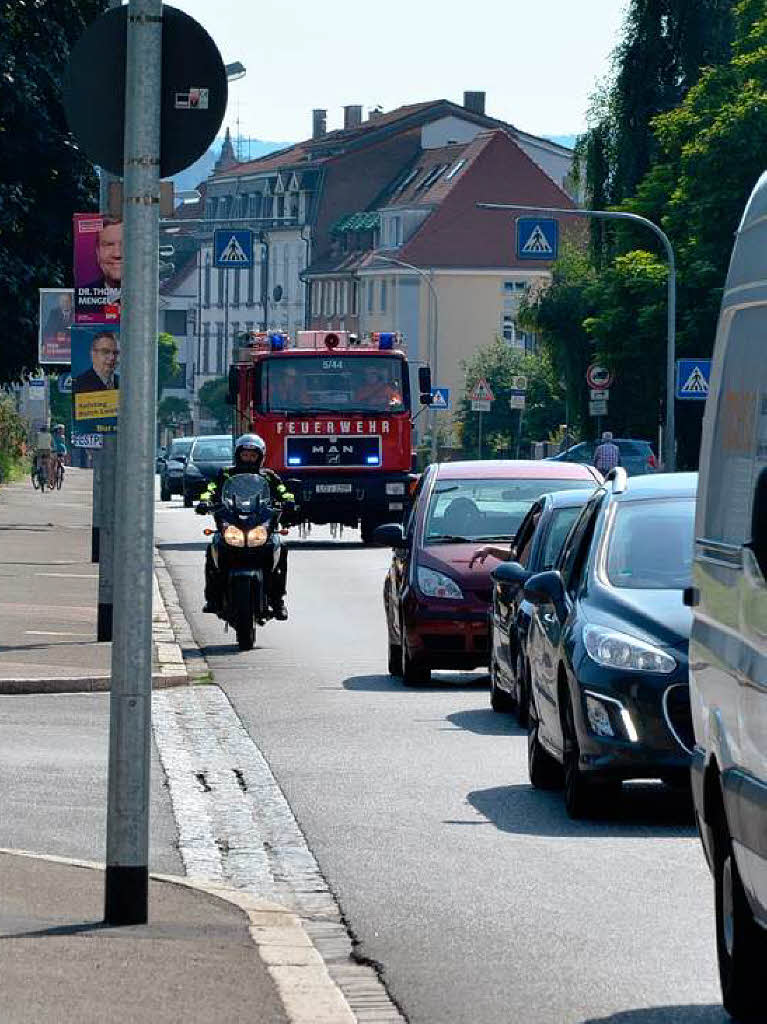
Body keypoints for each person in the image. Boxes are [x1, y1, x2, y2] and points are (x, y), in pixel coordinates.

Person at [197, 434, 296, 620]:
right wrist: (204, 501)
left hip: (260, 524)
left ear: (260, 456)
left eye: (252, 455)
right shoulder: (226, 473)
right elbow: (210, 488)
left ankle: (277, 601)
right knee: (213, 548)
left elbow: (283, 491)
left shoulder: (268, 476)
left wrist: (289, 501)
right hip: (232, 522)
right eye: (245, 455)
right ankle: (213, 598)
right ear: (238, 455)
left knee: (280, 548)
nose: (249, 458)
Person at [84, 219, 123, 290]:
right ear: (98, 252)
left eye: (125, 245)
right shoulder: (78, 296)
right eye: (109, 245)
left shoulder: (148, 295)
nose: (117, 254)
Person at [34, 423, 54, 487]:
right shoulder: (49, 435)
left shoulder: (38, 434)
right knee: (48, 466)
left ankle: (38, 468)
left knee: (38, 460)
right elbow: (52, 443)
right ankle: (48, 483)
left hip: (39, 450)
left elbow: (35, 442)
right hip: (47, 451)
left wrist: (34, 447)